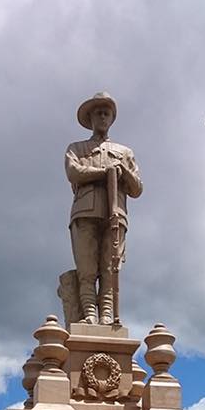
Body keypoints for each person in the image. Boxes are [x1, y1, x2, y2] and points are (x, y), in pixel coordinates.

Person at [65, 92, 143, 325]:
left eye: (106, 112)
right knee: (87, 268)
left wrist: (122, 171)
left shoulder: (124, 152)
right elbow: (74, 172)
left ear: (112, 118)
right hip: (85, 212)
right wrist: (105, 172)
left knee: (110, 268)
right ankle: (89, 313)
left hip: (115, 213)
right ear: (90, 118)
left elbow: (137, 188)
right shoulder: (77, 148)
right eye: (97, 112)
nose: (102, 116)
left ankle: (107, 314)